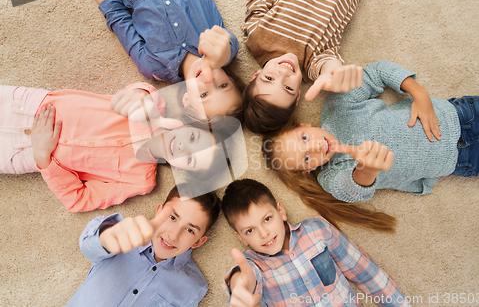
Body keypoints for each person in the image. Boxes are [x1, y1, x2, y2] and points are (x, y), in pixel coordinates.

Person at [262, 60, 479, 204]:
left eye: (304, 139)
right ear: (308, 169)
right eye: (306, 157)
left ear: (304, 126)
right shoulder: (331, 177)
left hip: (460, 114)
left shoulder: (338, 107)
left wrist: (419, 93)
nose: (315, 147)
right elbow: (352, 191)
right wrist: (367, 170)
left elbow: (377, 72)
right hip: (464, 161)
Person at [0, 83, 234, 212]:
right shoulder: (151, 105)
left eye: (190, 159)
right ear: (187, 124)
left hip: (19, 154)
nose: (183, 147)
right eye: (193, 137)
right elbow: (139, 92)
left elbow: (79, 200)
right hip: (27, 107)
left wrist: (44, 159)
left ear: (183, 170)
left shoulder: (140, 181)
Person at [221, 179, 411, 307]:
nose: (263, 233)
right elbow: (244, 277)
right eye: (250, 231)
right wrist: (239, 286)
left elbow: (362, 269)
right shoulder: (254, 265)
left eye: (267, 219)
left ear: (281, 211)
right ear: (241, 238)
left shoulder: (316, 229)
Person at [85, 0, 244, 118]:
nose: (209, 81)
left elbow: (116, 15)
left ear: (187, 100)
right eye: (223, 85)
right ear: (231, 79)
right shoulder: (222, 49)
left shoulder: (154, 67)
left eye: (204, 95)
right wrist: (221, 57)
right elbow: (226, 47)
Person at [241, 0, 367, 134]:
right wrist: (332, 75)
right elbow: (329, 65)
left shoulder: (257, 38)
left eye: (269, 78)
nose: (283, 73)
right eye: (287, 87)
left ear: (256, 75)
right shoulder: (312, 66)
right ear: (298, 96)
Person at [66, 184, 221, 306]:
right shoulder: (122, 233)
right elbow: (88, 246)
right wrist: (106, 239)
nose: (173, 235)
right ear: (159, 211)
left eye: (189, 230)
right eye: (172, 217)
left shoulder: (194, 287)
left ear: (198, 241)